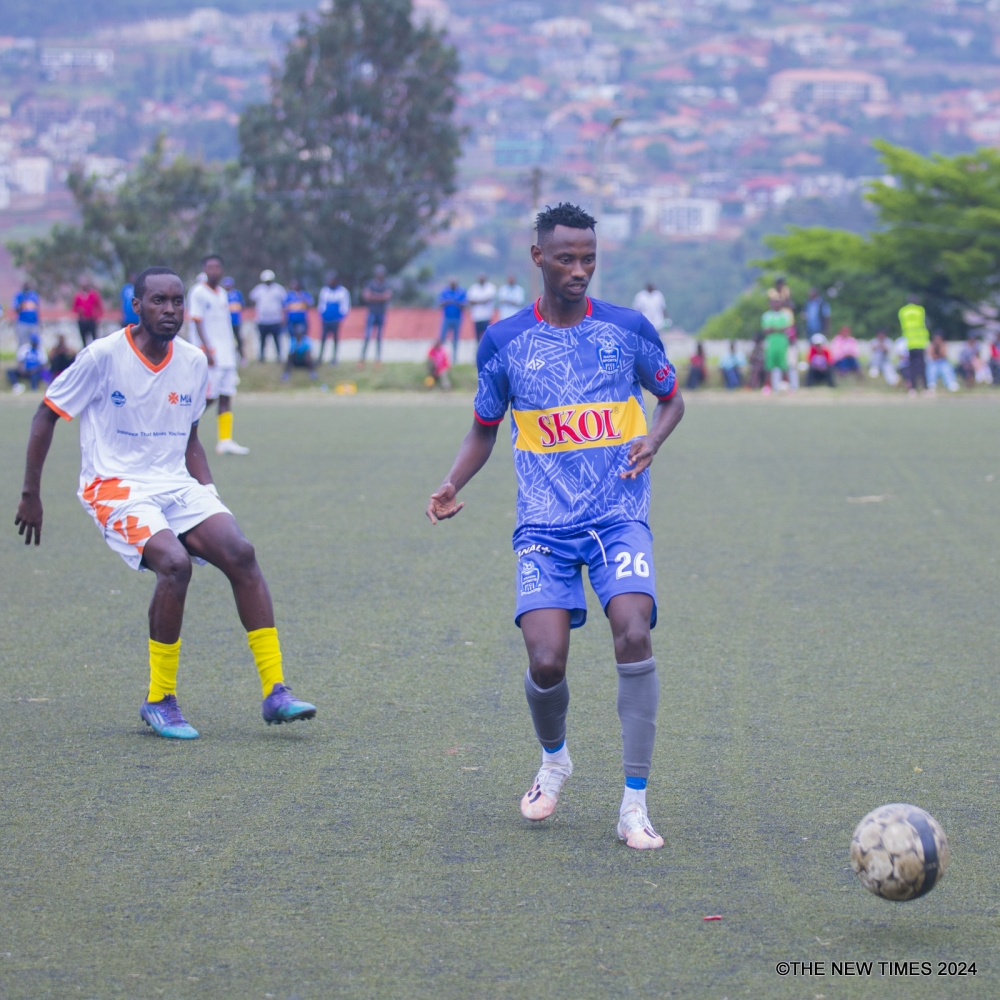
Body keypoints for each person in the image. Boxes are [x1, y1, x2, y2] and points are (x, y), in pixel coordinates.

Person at [426, 202, 685, 851]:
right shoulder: (505, 341)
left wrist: (654, 437)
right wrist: (453, 481)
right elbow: (484, 429)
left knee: (632, 630)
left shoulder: (627, 329)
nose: (580, 270)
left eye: (589, 258)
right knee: (545, 659)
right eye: (566, 258)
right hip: (544, 525)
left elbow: (672, 396)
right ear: (538, 258)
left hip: (619, 515)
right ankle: (555, 761)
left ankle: (634, 804)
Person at [15, 267, 317, 739]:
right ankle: (160, 700)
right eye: (158, 301)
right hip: (114, 484)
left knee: (241, 553)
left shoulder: (194, 361)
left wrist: (210, 496)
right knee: (175, 565)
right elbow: (46, 415)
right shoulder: (103, 356)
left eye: (177, 301)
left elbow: (191, 436)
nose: (170, 310)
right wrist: (31, 494)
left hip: (174, 482)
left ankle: (276, 691)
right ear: (136, 305)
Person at [189, 254, 249, 455]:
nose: (214, 270)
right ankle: (180, 431)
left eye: (217, 267)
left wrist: (236, 349)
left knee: (226, 395)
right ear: (204, 270)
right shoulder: (197, 292)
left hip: (227, 353)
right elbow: (196, 321)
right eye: (210, 267)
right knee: (207, 397)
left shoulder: (223, 294)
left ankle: (225, 440)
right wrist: (206, 349)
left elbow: (226, 325)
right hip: (210, 353)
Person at [250, 270, 287, 362]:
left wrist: (283, 317)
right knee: (262, 340)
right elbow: (253, 299)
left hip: (275, 319)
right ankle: (261, 357)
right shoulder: (259, 289)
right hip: (262, 319)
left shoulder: (279, 289)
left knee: (277, 340)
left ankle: (279, 357)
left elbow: (284, 303)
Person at [360, 264, 392, 367]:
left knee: (379, 338)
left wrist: (373, 296)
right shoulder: (370, 284)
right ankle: (362, 359)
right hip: (372, 312)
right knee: (367, 336)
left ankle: (377, 360)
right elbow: (366, 296)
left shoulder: (386, 285)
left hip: (381, 313)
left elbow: (387, 297)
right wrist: (380, 297)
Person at [317, 270, 351, 365]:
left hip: (335, 320)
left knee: (335, 339)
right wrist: (322, 316)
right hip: (326, 319)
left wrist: (340, 318)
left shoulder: (342, 291)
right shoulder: (325, 291)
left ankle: (334, 358)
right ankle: (320, 357)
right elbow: (321, 305)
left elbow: (345, 306)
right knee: (323, 338)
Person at [899, 296, 929, 394]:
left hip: (909, 342)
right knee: (922, 366)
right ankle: (925, 388)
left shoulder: (903, 311)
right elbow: (926, 324)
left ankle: (913, 389)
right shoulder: (920, 310)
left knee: (911, 366)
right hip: (920, 342)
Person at [762, 294, 789, 392]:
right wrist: (778, 329)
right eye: (774, 302)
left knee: (784, 366)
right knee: (769, 366)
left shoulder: (785, 315)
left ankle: (787, 386)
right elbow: (766, 330)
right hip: (771, 345)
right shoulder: (767, 315)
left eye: (778, 302)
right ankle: (767, 386)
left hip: (782, 344)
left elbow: (786, 328)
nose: (776, 304)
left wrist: (774, 329)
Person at [438, 277, 467, 363]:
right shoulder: (445, 291)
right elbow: (440, 303)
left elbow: (465, 305)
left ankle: (454, 359)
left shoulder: (461, 292)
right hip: (446, 318)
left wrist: (455, 302)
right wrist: (448, 301)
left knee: (455, 339)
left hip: (457, 319)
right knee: (442, 338)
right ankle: (440, 357)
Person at [466, 272, 497, 345]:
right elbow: (470, 301)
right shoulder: (473, 288)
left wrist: (477, 301)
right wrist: (482, 300)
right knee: (477, 338)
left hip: (487, 317)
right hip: (476, 317)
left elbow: (489, 299)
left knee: (487, 337)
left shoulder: (490, 287)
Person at [72, 280, 103, 348]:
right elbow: (74, 308)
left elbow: (99, 306)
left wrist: (97, 317)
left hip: (91, 320)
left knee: (94, 339)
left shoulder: (94, 294)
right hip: (82, 320)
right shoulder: (78, 296)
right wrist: (79, 310)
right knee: (83, 341)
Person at [284, 279, 314, 345]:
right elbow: (285, 306)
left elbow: (310, 304)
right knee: (292, 336)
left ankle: (303, 350)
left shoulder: (305, 294)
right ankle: (293, 351)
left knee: (303, 336)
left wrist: (303, 299)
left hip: (302, 319)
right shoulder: (289, 295)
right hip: (292, 320)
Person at [223, 277, 245, 364]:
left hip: (236, 321)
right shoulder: (223, 294)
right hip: (226, 322)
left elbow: (242, 305)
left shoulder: (237, 294)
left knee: (238, 339)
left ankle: (242, 357)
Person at [13, 281, 41, 347]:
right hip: (22, 323)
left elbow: (37, 310)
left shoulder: (34, 295)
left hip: (33, 323)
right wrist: (23, 302)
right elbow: (15, 309)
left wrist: (39, 322)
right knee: (22, 342)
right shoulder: (19, 296)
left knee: (35, 341)